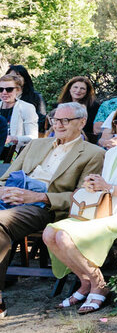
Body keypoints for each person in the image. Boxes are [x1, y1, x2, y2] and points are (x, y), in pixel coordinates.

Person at [42, 102, 117, 313]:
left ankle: (99, 285)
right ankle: (85, 281)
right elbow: (105, 188)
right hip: (104, 211)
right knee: (50, 232)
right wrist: (94, 184)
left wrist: (109, 187)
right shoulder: (113, 152)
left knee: (64, 237)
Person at [0, 102, 105, 317]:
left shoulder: (93, 153)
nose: (59, 124)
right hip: (11, 198)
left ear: (82, 122)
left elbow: (83, 195)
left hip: (44, 207)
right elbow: (4, 178)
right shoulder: (35, 145)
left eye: (66, 120)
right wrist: (3, 191)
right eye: (55, 119)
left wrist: (41, 196)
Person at [56, 77, 101, 144]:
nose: (78, 91)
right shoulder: (61, 105)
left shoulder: (94, 106)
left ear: (87, 91)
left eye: (82, 88)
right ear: (70, 88)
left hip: (84, 140)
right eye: (75, 87)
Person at [0, 73, 38, 149]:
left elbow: (33, 137)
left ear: (18, 90)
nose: (4, 92)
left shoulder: (26, 108)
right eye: (0, 89)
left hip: (14, 153)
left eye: (9, 89)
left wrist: (13, 138)